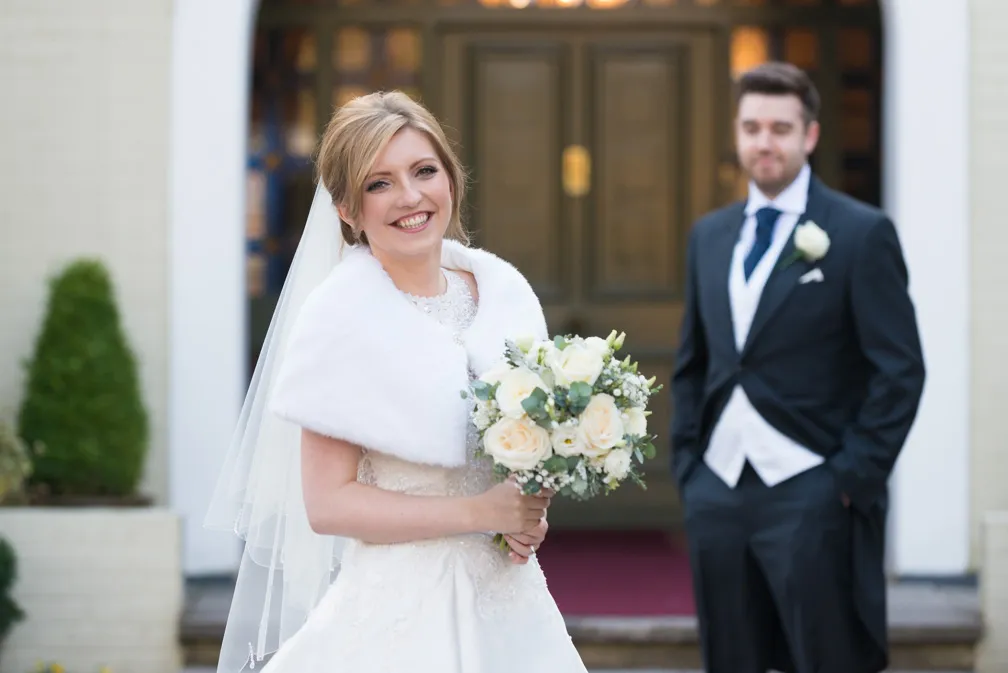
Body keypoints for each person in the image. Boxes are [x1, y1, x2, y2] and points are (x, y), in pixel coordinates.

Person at [205, 91, 588, 673]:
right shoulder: (340, 318)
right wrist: (484, 513)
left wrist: (528, 510)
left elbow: (520, 454)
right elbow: (328, 504)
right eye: (378, 183)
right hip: (400, 613)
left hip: (511, 605)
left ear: (450, 179)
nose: (410, 197)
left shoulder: (502, 295)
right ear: (346, 209)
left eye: (424, 170)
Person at [671, 62, 926, 673]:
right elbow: (694, 361)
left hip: (813, 490)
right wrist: (688, 465)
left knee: (826, 658)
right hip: (718, 491)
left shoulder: (860, 234)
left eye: (780, 128)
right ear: (736, 133)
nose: (765, 142)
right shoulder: (710, 236)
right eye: (752, 126)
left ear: (809, 135)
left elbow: (900, 370)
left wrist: (847, 480)